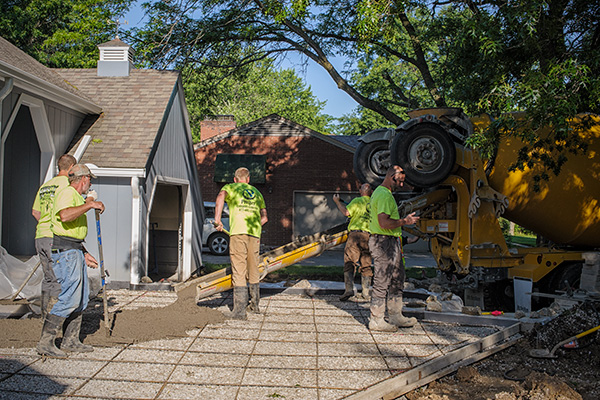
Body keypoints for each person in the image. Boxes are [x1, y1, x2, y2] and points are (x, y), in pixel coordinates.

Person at [36, 164, 105, 358]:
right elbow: (64, 216)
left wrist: (84, 252)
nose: (90, 184)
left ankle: (70, 340)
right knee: (70, 297)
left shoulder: (76, 197)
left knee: (81, 298)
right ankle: (46, 342)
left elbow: (72, 231)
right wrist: (90, 204)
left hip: (73, 249)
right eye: (90, 180)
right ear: (83, 179)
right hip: (66, 252)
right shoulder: (66, 193)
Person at [368, 165, 420, 332]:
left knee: (397, 277)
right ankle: (376, 320)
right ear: (392, 177)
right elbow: (384, 223)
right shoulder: (383, 195)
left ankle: (395, 315)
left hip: (391, 241)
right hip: (383, 242)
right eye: (400, 181)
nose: (402, 185)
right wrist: (405, 222)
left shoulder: (385, 194)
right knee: (382, 279)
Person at [214, 167, 268, 320]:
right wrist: (256, 226)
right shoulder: (257, 193)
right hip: (254, 234)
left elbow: (220, 196)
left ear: (235, 179)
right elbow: (265, 217)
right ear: (248, 179)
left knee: (239, 269)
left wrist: (218, 219)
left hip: (238, 233)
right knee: (253, 269)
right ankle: (254, 305)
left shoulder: (231, 187)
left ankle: (239, 312)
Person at [32, 154, 77, 319]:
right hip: (55, 237)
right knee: (59, 276)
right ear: (71, 167)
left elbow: (35, 211)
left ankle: (45, 313)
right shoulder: (67, 185)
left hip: (40, 236)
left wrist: (45, 223)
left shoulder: (46, 185)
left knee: (48, 277)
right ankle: (56, 318)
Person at [333, 183, 373, 302]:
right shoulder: (374, 203)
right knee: (366, 264)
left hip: (355, 235)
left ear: (361, 191)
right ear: (370, 192)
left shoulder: (357, 201)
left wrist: (337, 202)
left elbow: (346, 213)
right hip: (368, 236)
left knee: (350, 261)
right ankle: (366, 293)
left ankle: (349, 290)